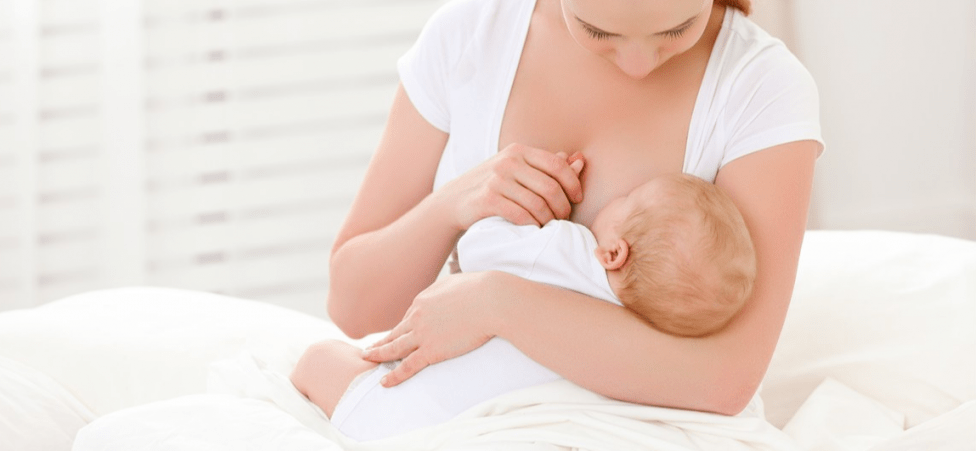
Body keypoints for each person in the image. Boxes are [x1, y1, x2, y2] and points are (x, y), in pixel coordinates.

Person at [324, 0, 822, 419]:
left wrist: (496, 303)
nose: (639, 65)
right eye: (598, 31)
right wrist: (457, 202)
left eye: (677, 29)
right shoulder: (466, 42)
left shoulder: (761, 89)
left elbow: (723, 380)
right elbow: (352, 307)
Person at [291, 171, 757, 441]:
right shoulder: (638, 337)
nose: (616, 197)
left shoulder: (567, 250)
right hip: (470, 429)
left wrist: (535, 214)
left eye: (628, 200)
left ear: (614, 253)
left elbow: (479, 249)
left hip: (408, 411)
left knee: (318, 359)